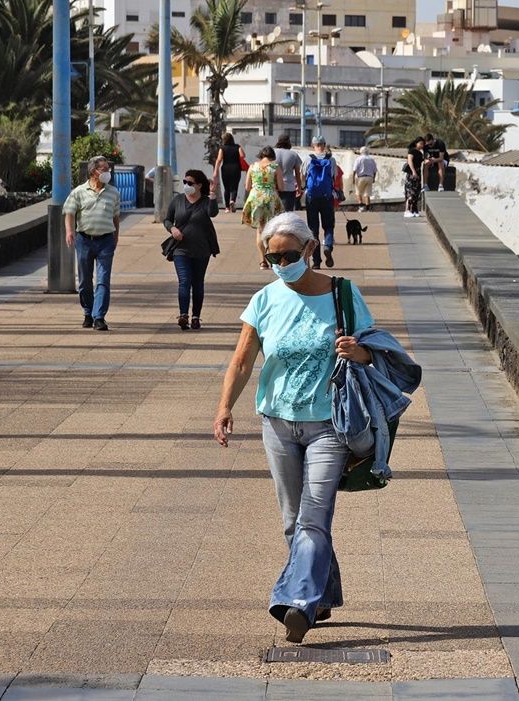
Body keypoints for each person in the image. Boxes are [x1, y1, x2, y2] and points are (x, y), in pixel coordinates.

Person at [213, 212, 375, 644]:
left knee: (314, 516)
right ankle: (322, 595)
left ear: (308, 249)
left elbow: (376, 351)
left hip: (328, 424)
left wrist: (358, 353)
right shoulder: (265, 300)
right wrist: (224, 406)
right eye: (272, 257)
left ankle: (298, 603)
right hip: (278, 423)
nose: (280, 263)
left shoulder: (342, 294)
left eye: (287, 254)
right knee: (293, 520)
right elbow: (243, 360)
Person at [63, 155, 121, 331]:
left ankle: (99, 317)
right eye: (104, 170)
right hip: (84, 241)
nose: (107, 173)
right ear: (93, 172)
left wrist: (116, 236)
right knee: (85, 282)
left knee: (103, 280)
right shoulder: (79, 192)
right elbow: (70, 213)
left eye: (108, 170)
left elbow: (116, 217)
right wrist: (69, 231)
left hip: (106, 241)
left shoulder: (113, 193)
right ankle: (88, 312)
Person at [164, 169, 220, 330]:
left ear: (199, 185)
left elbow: (213, 213)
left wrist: (213, 196)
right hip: (180, 249)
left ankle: (195, 316)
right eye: (185, 182)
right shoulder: (178, 200)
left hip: (202, 250)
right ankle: (183, 315)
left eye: (190, 183)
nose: (186, 185)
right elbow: (167, 219)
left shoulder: (205, 201)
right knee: (184, 281)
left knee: (197, 283)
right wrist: (172, 229)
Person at [242, 146, 284, 269]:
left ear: (261, 155)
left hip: (255, 198)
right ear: (272, 156)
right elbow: (281, 187)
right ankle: (272, 258)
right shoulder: (275, 167)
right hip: (271, 199)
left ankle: (262, 262)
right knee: (272, 230)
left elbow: (247, 186)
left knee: (260, 230)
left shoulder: (252, 167)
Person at [302, 136, 339, 269]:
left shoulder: (308, 159)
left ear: (313, 145)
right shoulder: (331, 160)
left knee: (313, 228)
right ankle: (328, 246)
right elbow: (334, 177)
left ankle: (316, 261)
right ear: (324, 144)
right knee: (328, 226)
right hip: (327, 196)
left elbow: (303, 176)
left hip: (311, 196)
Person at [214, 132, 245, 212]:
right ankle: (233, 200)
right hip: (236, 168)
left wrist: (216, 170)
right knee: (234, 187)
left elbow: (219, 159)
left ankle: (227, 207)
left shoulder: (222, 148)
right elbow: (242, 155)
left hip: (225, 169)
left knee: (226, 188)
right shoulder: (237, 146)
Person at [274, 134, 303, 214]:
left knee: (274, 215)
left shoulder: (272, 153)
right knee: (288, 215)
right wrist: (299, 188)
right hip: (289, 188)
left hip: (274, 187)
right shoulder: (293, 154)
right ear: (289, 142)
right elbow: (298, 173)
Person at [404, 137, 425, 219]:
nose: (422, 145)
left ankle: (414, 210)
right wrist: (413, 171)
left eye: (423, 144)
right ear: (416, 143)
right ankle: (407, 210)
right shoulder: (412, 151)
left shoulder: (420, 153)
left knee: (416, 192)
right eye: (420, 143)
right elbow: (410, 161)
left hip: (418, 173)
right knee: (410, 192)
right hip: (412, 174)